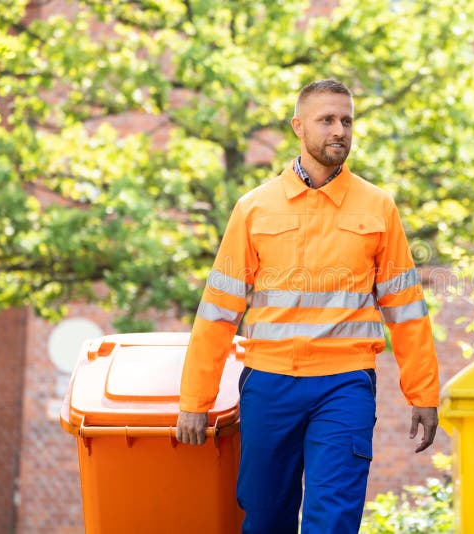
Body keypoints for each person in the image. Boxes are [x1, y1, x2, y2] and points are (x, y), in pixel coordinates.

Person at [176, 79, 440, 533]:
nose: (339, 130)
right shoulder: (254, 208)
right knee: (264, 518)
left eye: (347, 121)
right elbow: (218, 310)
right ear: (299, 126)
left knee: (333, 519)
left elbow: (406, 308)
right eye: (327, 120)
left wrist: (424, 393)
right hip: (269, 383)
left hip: (344, 386)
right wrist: (193, 399)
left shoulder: (378, 207)